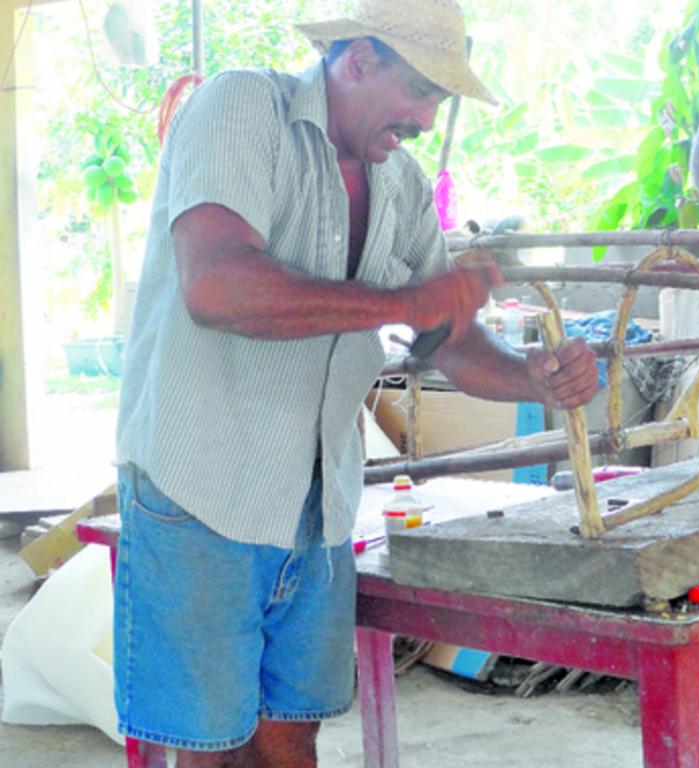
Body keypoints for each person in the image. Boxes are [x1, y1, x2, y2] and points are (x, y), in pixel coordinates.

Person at [113, 1, 599, 766]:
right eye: (420, 92)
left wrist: (535, 375)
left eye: (440, 101)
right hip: (199, 490)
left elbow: (451, 337)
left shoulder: (399, 186)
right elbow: (216, 286)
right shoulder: (242, 106)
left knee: (289, 737)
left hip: (317, 502)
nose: (424, 119)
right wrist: (403, 303)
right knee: (207, 746)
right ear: (360, 58)